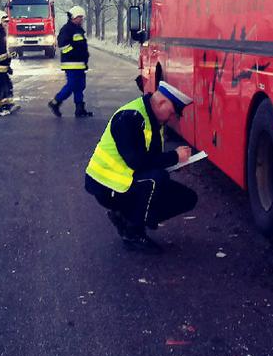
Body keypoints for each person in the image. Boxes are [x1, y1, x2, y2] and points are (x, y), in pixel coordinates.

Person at [84, 81, 199, 253]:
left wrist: (176, 164)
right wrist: (174, 156)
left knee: (187, 197)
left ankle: (125, 216)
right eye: (173, 113)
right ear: (162, 103)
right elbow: (137, 162)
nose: (172, 118)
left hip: (126, 181)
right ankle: (133, 232)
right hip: (106, 186)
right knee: (156, 180)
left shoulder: (153, 120)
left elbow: (152, 159)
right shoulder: (129, 117)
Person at [48, 5, 93, 118]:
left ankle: (80, 109)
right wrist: (75, 52)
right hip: (71, 63)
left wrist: (84, 58)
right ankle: (55, 102)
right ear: (74, 17)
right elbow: (63, 45)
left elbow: (81, 46)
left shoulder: (78, 29)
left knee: (80, 86)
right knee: (72, 85)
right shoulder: (67, 29)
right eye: (80, 17)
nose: (82, 20)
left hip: (80, 64)